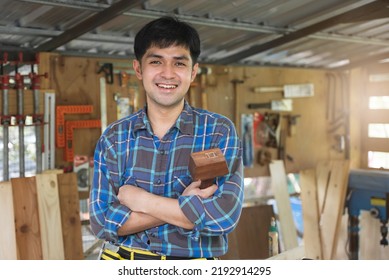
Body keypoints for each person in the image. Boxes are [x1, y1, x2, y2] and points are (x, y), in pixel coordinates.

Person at [89, 16, 244, 260]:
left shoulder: (218, 131)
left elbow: (224, 217)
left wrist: (141, 200)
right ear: (139, 69)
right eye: (156, 61)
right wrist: (184, 205)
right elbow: (101, 223)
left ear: (193, 72)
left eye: (179, 64)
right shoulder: (114, 137)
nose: (168, 74)